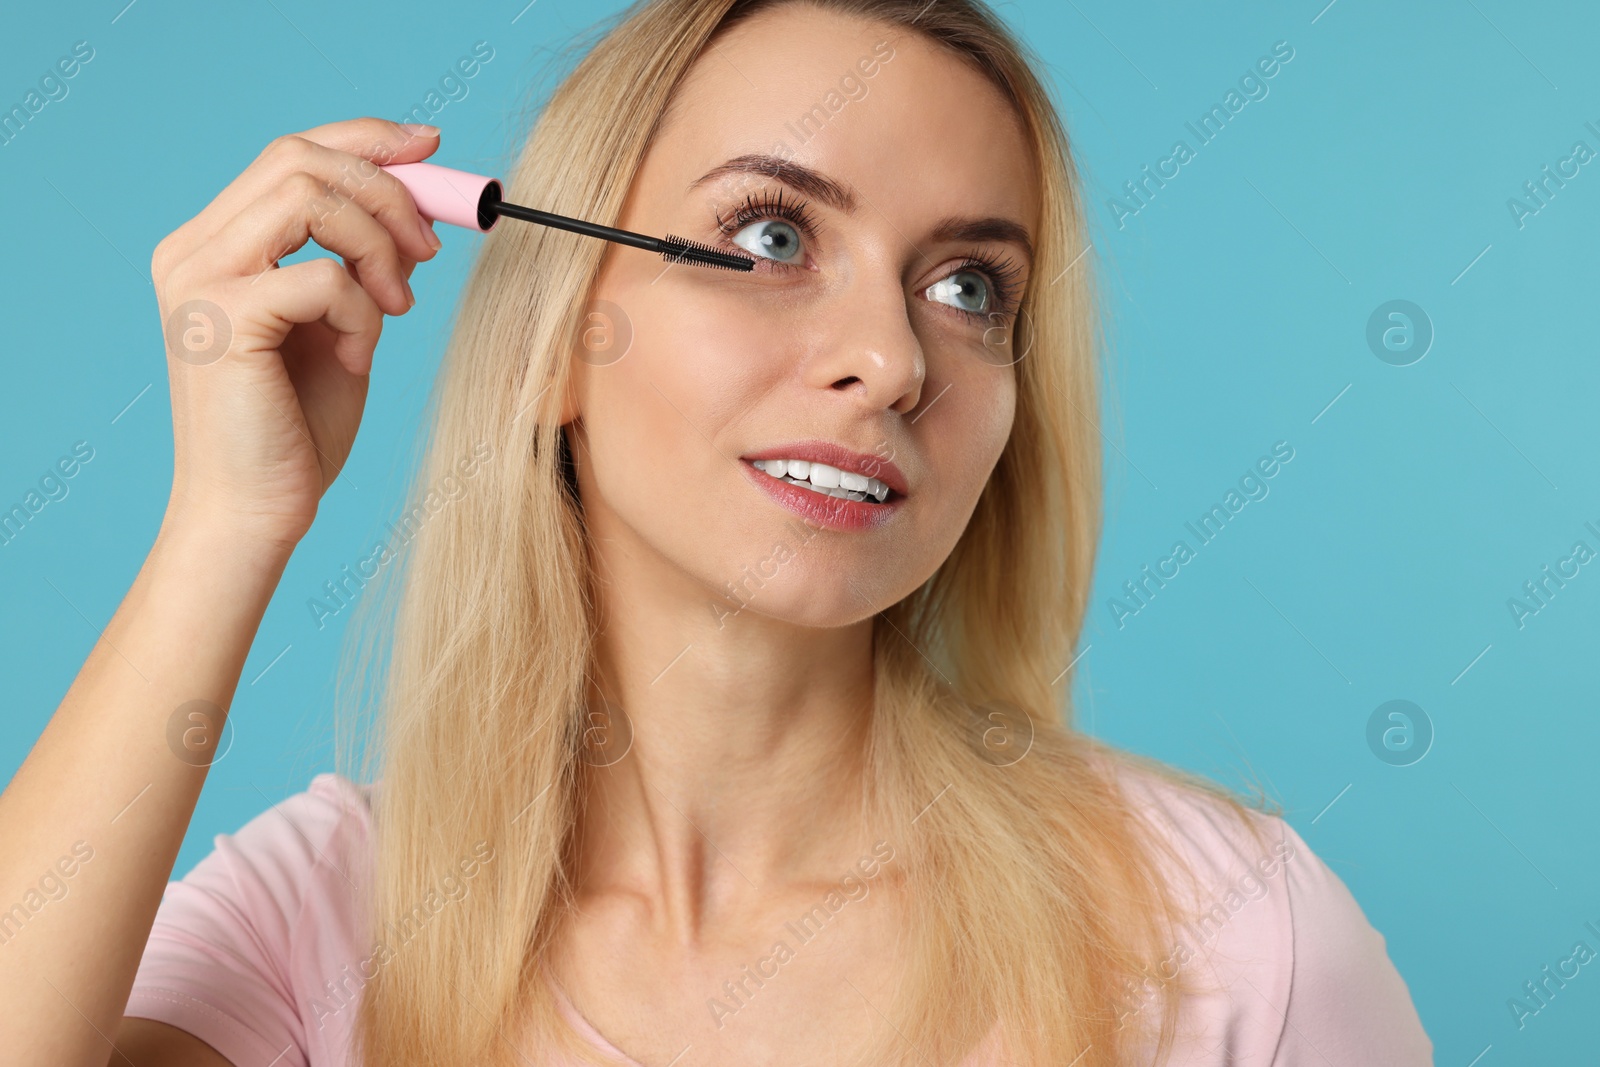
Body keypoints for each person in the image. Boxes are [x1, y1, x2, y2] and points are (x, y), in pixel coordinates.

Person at [0, 0, 1434, 1064]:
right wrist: (226, 525)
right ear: (559, 342)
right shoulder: (327, 924)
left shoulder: (1230, 939)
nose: (892, 358)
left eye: (970, 288)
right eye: (769, 237)